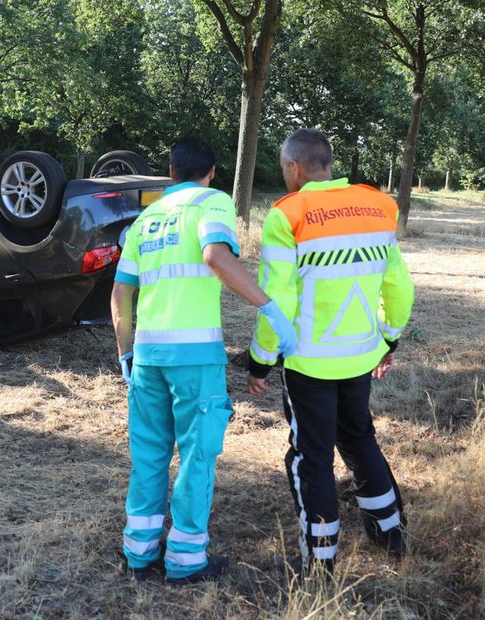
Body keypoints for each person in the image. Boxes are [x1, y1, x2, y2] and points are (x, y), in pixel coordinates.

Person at [111, 137, 297, 584]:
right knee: (197, 455)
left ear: (169, 173)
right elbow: (215, 256)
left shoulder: (146, 217)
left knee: (150, 454)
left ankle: (138, 553)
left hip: (149, 357)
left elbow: (120, 292)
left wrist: (125, 353)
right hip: (195, 357)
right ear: (212, 172)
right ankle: (186, 559)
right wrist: (269, 307)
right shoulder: (213, 202)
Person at [247, 128, 415, 574]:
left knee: (313, 456)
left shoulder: (287, 214)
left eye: (284, 168)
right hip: (360, 355)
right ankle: (391, 534)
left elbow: (275, 300)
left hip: (308, 362)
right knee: (360, 439)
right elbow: (398, 284)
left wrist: (261, 360)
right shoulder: (379, 206)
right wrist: (389, 339)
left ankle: (320, 561)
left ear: (294, 168)